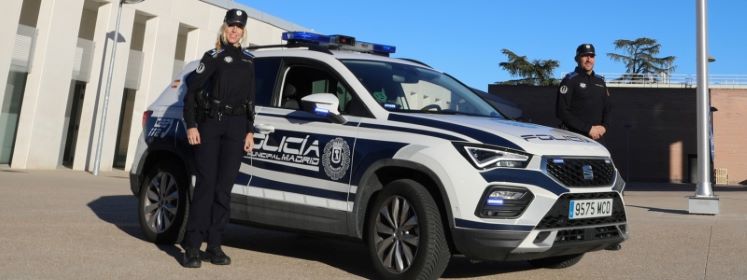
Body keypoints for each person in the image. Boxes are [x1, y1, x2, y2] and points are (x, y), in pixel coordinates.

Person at [181, 8, 255, 268]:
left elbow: (250, 100)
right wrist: (192, 125)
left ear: (244, 32)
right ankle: (192, 247)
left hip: (236, 129)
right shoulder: (212, 57)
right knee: (206, 186)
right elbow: (191, 92)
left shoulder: (248, 60)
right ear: (224, 28)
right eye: (231, 25)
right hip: (211, 125)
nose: (235, 30)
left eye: (239, 27)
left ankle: (214, 245)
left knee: (224, 190)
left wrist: (249, 131)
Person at [556, 43, 611, 143]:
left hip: (597, 138)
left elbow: (607, 108)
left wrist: (604, 127)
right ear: (577, 59)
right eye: (585, 56)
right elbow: (561, 112)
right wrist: (588, 129)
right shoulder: (569, 80)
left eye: (592, 56)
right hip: (574, 137)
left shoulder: (600, 82)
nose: (589, 59)